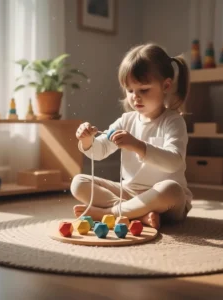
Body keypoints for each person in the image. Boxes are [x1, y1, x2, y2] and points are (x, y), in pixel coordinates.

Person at [70, 43, 193, 229]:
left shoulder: (173, 121)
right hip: (129, 193)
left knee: (171, 189)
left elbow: (174, 161)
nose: (135, 97)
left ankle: (109, 213)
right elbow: (99, 151)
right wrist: (87, 141)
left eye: (143, 90)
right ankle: (137, 215)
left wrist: (138, 146)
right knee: (78, 182)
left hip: (165, 200)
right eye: (130, 91)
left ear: (166, 85)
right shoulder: (125, 120)